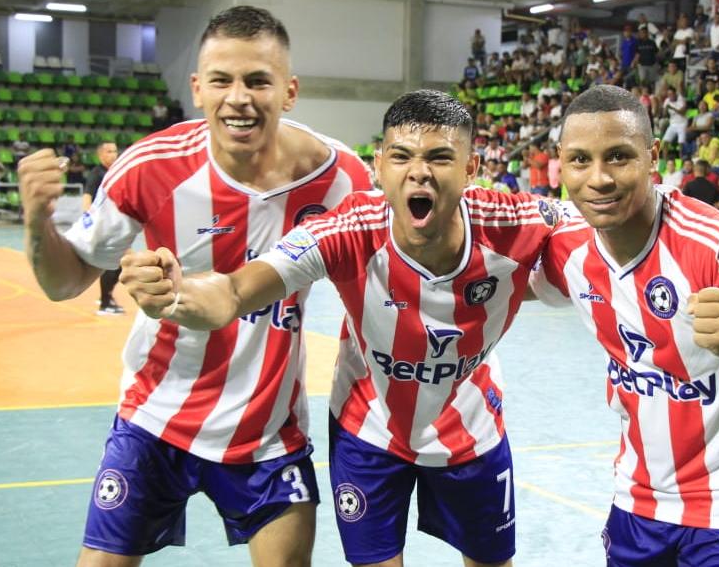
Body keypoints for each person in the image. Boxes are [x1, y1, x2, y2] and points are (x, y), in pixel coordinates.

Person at [119, 89, 566, 567]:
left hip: (471, 429)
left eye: (440, 157)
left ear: (471, 167)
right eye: (401, 156)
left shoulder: (517, 221)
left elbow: (599, 232)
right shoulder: (347, 229)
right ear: (378, 166)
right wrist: (176, 294)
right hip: (368, 432)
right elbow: (233, 292)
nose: (419, 171)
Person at [15, 6, 372, 565]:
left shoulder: (344, 178)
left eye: (258, 80)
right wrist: (39, 224)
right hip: (155, 420)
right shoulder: (150, 167)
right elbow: (65, 283)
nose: (239, 97)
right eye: (222, 80)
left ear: (289, 91)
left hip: (268, 435)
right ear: (197, 89)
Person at [530, 85, 719, 566]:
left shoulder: (718, 246)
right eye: (579, 160)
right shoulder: (567, 248)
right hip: (637, 495)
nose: (598, 178)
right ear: (561, 163)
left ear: (651, 155)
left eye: (618, 157)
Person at [82, 142, 124, 315]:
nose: (114, 154)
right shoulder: (96, 174)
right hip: (103, 225)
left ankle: (105, 297)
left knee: (117, 264)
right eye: (109, 151)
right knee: (113, 264)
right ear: (100, 155)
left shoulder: (114, 172)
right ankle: (105, 304)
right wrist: (90, 222)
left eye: (115, 150)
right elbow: (87, 198)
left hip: (116, 224)